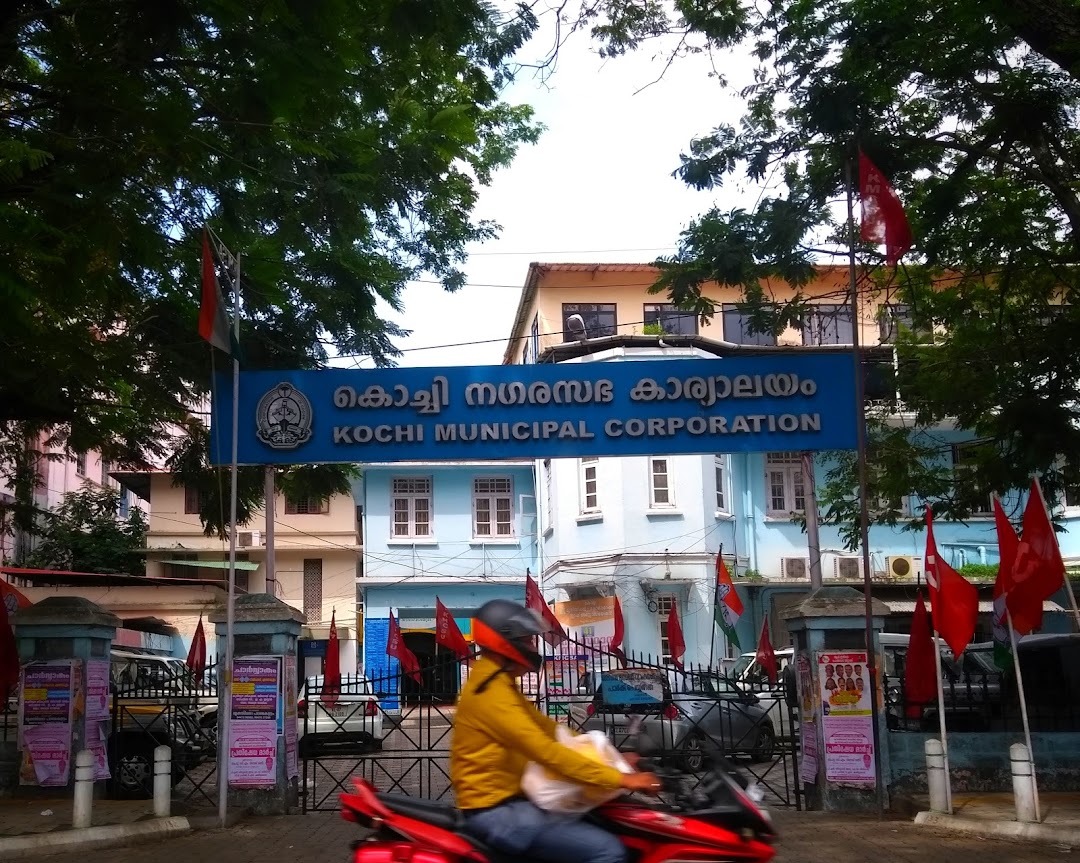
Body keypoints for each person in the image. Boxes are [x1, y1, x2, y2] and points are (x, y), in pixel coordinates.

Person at [450, 599, 661, 863]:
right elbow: (547, 751)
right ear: (506, 643)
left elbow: (552, 731)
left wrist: (615, 758)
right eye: (527, 641)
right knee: (608, 851)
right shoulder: (490, 693)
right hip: (498, 813)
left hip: (513, 804)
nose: (533, 648)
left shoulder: (498, 682)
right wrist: (623, 780)